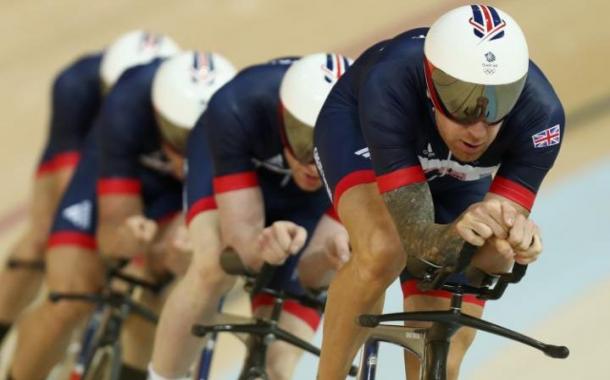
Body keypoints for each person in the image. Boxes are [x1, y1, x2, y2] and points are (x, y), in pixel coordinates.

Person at [313, 5, 564, 379]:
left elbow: (491, 259)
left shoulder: (541, 118)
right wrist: (469, 230)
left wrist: (515, 241)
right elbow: (418, 241)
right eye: (462, 103)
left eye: (498, 103)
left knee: (441, 360)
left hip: (455, 172)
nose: (478, 130)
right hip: (362, 131)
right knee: (383, 249)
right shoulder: (391, 82)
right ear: (431, 83)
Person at [7, 49, 235, 380]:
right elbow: (112, 228)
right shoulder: (128, 101)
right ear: (156, 113)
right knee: (68, 300)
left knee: (163, 287)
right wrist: (124, 239)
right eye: (177, 136)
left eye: (197, 139)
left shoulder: (236, 124)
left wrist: (178, 251)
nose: (187, 151)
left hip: (181, 195)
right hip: (120, 178)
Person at [148, 53, 352, 380]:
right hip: (233, 164)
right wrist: (261, 247)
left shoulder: (381, 129)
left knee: (277, 366)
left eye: (329, 145)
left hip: (313, 201)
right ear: (283, 117)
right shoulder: (239, 105)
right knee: (212, 267)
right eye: (303, 141)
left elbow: (312, 274)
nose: (314, 164)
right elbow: (242, 244)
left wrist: (331, 258)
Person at [0, 30, 179, 347]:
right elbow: (70, 182)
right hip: (88, 153)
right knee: (42, 237)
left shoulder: (178, 98)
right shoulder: (75, 85)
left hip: (147, 160)